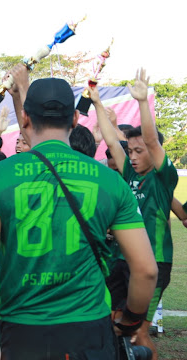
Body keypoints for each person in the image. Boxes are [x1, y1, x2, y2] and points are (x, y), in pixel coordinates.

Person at [0, 69, 158, 360]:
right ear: (73, 119)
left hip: (18, 328)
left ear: (26, 120)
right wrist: (131, 321)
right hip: (88, 328)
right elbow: (146, 269)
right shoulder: (109, 180)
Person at [96, 68, 178, 360]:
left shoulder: (162, 178)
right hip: (123, 259)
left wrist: (143, 102)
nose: (131, 155)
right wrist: (95, 102)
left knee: (140, 332)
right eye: (130, 150)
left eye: (138, 151)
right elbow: (111, 140)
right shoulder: (129, 173)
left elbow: (153, 142)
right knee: (119, 324)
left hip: (154, 262)